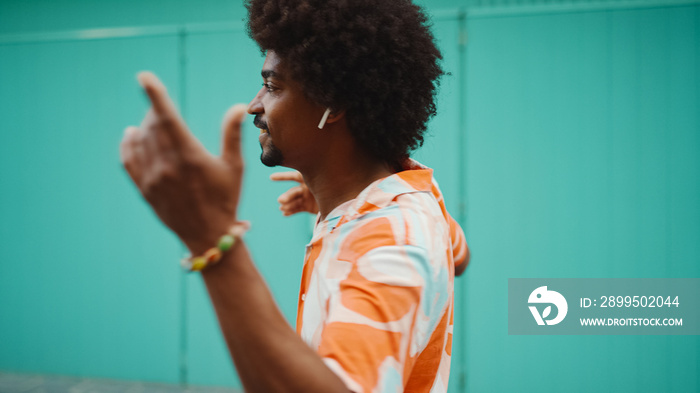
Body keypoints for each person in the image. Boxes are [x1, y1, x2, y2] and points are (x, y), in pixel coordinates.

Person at [119, 0, 469, 392]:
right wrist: (334, 206)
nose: (255, 104)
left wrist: (212, 237)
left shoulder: (393, 240)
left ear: (331, 105)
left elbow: (406, 246)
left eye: (272, 86)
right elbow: (458, 252)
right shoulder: (411, 194)